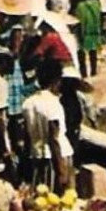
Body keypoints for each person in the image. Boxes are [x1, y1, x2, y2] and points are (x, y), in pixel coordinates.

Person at [23, 59, 72, 193]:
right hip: (55, 159)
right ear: (56, 80)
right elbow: (53, 137)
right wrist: (61, 171)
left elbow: (27, 135)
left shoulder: (29, 103)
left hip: (36, 156)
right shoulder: (52, 103)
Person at [72, 0, 104, 79]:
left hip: (83, 31)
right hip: (94, 30)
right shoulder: (96, 3)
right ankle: (93, 71)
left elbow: (79, 20)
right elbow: (100, 17)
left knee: (81, 51)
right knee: (93, 51)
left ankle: (83, 73)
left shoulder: (80, 5)